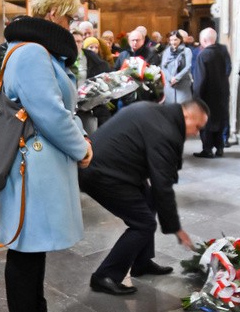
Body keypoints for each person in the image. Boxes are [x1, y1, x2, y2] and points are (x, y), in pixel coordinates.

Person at [0, 0, 93, 312]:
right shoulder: (32, 53)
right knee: (24, 249)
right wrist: (81, 147)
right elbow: (49, 112)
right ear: (52, 14)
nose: (71, 25)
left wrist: (79, 137)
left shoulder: (38, 51)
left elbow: (61, 109)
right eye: (69, 18)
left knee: (36, 247)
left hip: (40, 164)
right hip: (29, 168)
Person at [81, 100, 209, 295]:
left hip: (117, 166)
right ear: (187, 116)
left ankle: (141, 263)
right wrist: (176, 228)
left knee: (149, 201)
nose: (196, 132)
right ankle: (104, 276)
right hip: (101, 173)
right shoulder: (166, 131)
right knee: (143, 223)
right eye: (197, 126)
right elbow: (162, 184)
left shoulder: (159, 113)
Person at [192, 28, 231, 158]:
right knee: (219, 120)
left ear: (203, 40)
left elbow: (200, 78)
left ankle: (207, 149)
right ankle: (219, 148)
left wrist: (196, 97)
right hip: (221, 92)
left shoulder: (203, 55)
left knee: (206, 122)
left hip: (207, 94)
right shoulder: (221, 53)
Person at [160, 30, 193, 103]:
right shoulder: (167, 51)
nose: (173, 42)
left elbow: (188, 66)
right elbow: (163, 66)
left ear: (180, 40)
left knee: (182, 107)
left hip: (182, 84)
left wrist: (176, 78)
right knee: (170, 108)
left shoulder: (186, 51)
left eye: (175, 40)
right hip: (169, 84)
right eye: (171, 40)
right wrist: (170, 78)